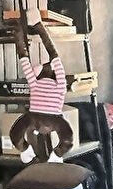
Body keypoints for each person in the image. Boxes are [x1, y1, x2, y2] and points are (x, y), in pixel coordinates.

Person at [9, 10, 74, 162]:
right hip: (53, 119)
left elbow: (24, 58)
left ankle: (26, 150)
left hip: (34, 117)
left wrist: (19, 32)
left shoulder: (37, 83)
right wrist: (38, 26)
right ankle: (56, 155)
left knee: (16, 135)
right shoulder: (60, 85)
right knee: (67, 139)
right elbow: (52, 53)